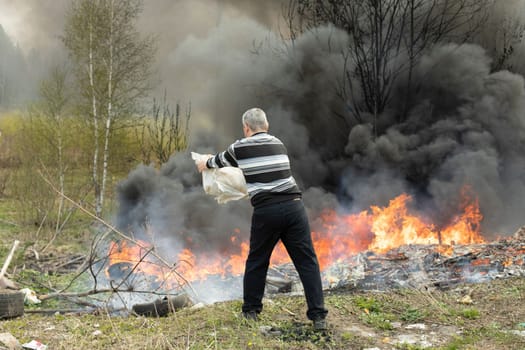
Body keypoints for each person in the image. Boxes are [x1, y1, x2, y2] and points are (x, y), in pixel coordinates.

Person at [196, 107, 328, 331]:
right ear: (266, 126)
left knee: (258, 261)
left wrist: (204, 163)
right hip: (295, 207)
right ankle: (318, 318)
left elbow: (217, 162)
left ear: (246, 128)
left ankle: (251, 312)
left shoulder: (239, 147)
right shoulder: (279, 143)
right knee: (307, 262)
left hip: (267, 210)